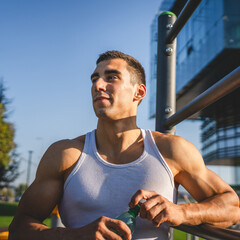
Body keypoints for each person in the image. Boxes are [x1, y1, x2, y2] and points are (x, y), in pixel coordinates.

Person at [9, 50, 240, 240]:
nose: (98, 84)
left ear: (139, 92)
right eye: (94, 78)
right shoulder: (65, 154)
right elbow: (19, 229)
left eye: (111, 77)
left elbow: (232, 207)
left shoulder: (171, 150)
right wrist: (76, 236)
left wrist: (182, 211)